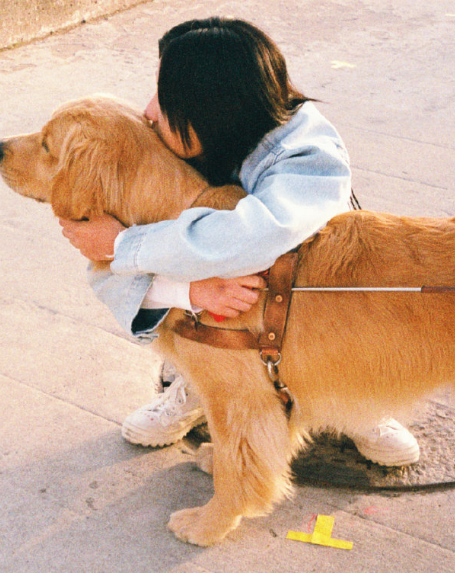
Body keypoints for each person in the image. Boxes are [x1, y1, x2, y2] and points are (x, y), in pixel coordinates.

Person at [59, 17, 420, 467]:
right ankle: (197, 382)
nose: (149, 111)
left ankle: (353, 398)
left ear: (213, 111)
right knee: (185, 260)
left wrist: (127, 244)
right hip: (232, 303)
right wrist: (185, 289)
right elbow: (110, 267)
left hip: (320, 297)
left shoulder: (306, 151)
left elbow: (255, 237)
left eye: (166, 96)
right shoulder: (180, 136)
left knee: (285, 288)